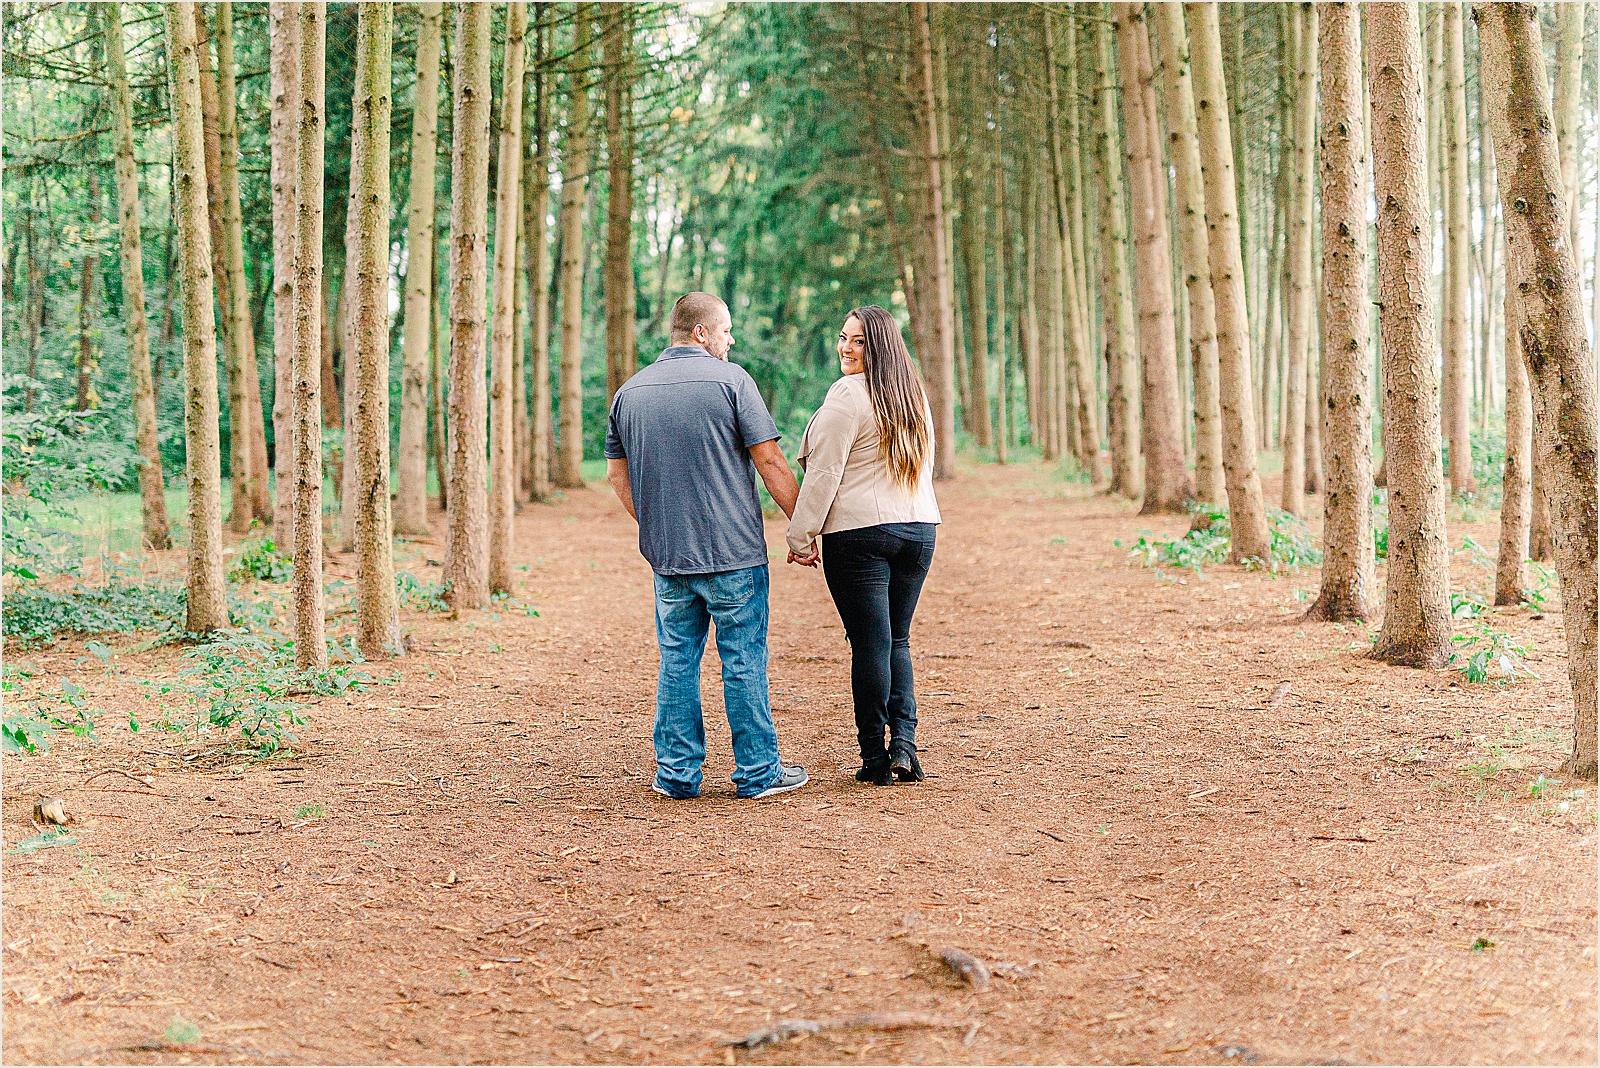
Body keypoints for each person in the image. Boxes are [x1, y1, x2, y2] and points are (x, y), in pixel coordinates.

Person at [605, 292, 810, 801]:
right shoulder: (733, 381)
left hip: (669, 559)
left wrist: (654, 524)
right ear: (701, 332)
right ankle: (759, 773)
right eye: (726, 330)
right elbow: (771, 463)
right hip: (734, 554)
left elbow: (616, 474)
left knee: (677, 660)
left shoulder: (629, 392)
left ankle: (676, 775)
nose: (731, 340)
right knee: (742, 660)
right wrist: (805, 527)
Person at [785, 305, 941, 786]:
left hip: (861, 533)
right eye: (842, 337)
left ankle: (875, 756)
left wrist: (800, 532)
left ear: (878, 347)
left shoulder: (848, 395)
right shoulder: (911, 396)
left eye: (858, 341)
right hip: (918, 528)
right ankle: (905, 748)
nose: (845, 348)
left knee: (871, 644)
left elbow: (825, 471)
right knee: (896, 639)